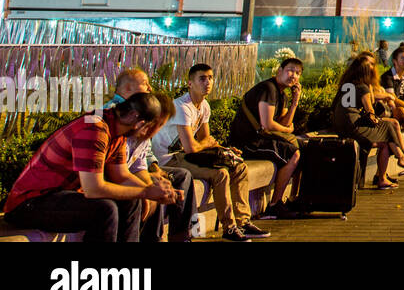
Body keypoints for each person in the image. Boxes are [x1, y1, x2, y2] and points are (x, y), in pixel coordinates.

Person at [4, 92, 174, 242]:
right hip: (29, 204)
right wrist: (146, 192)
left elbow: (121, 176)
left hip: (59, 196)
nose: (147, 134)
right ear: (139, 122)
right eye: (149, 127)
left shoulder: (116, 131)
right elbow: (93, 189)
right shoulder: (94, 128)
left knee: (131, 201)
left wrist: (156, 191)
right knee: (105, 210)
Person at [152, 64, 265, 242]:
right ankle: (229, 227)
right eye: (202, 79)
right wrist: (207, 143)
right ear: (190, 83)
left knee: (239, 168)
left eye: (210, 78)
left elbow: (206, 140)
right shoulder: (182, 107)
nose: (208, 83)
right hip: (170, 159)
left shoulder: (204, 106)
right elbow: (192, 146)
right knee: (220, 174)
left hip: (188, 156)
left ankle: (243, 222)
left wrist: (222, 150)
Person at [108, 68, 196, 242]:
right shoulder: (115, 117)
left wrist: (154, 174)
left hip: (128, 171)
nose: (150, 88)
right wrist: (148, 188)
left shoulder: (139, 115)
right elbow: (115, 172)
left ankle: (182, 236)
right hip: (107, 177)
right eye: (145, 84)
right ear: (127, 89)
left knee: (181, 177)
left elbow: (142, 157)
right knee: (144, 196)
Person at [228, 57, 305, 219]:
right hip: (246, 142)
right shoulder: (268, 89)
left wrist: (295, 102)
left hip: (258, 140)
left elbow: (285, 122)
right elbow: (267, 124)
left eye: (297, 73)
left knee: (300, 150)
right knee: (293, 154)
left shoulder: (282, 94)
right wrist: (287, 129)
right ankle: (274, 205)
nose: (294, 76)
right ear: (279, 71)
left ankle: (290, 199)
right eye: (290, 70)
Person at [332, 52, 404, 189]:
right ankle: (400, 159)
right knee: (388, 126)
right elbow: (370, 112)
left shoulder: (346, 84)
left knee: (385, 141)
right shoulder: (363, 87)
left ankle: (387, 173)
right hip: (354, 128)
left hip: (341, 126)